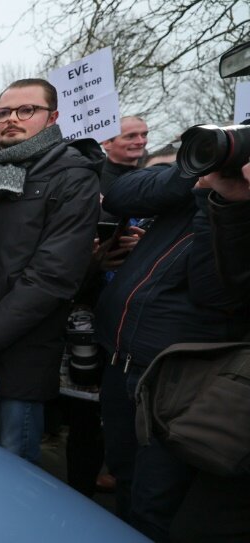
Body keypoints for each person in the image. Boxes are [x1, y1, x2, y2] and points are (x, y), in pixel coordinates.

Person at [94, 161, 250, 540]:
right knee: (125, 480)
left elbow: (215, 292)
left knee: (155, 504)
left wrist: (220, 205)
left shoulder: (231, 208)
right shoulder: (190, 185)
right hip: (120, 363)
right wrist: (193, 172)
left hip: (178, 381)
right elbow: (119, 195)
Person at [0, 78, 103, 464]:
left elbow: (54, 274)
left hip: (19, 356)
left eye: (26, 111)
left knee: (11, 475)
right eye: (3, 112)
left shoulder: (74, 175)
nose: (12, 120)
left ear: (52, 117)